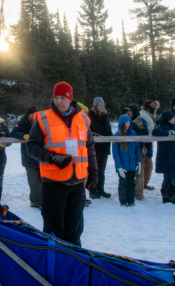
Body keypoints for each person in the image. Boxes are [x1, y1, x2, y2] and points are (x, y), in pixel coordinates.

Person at [26, 82, 98, 247]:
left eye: (62, 98)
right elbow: (31, 147)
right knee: (54, 234)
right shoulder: (43, 119)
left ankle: (73, 267)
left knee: (74, 232)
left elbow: (90, 146)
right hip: (54, 186)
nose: (58, 101)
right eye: (55, 97)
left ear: (70, 99)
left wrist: (93, 170)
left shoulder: (83, 119)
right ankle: (54, 269)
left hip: (78, 186)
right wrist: (54, 158)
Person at [11, 105, 42, 208]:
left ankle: (33, 200)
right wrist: (23, 136)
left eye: (36, 114)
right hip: (28, 156)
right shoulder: (22, 123)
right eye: (33, 114)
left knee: (39, 179)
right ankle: (40, 202)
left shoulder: (40, 123)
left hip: (38, 156)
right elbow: (13, 133)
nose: (35, 116)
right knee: (33, 181)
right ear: (28, 115)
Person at [152, 110, 175, 204]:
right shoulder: (162, 126)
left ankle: (167, 196)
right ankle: (169, 192)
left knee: (167, 177)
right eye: (173, 118)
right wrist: (169, 133)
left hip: (170, 155)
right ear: (169, 119)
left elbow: (174, 134)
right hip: (166, 156)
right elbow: (155, 132)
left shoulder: (172, 126)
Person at [112, 115, 141, 206]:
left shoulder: (133, 134)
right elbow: (115, 153)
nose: (128, 125)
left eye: (129, 123)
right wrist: (119, 167)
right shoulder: (116, 136)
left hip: (132, 165)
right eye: (126, 123)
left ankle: (131, 200)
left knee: (131, 183)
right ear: (122, 124)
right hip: (123, 166)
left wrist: (139, 161)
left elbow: (137, 148)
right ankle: (123, 201)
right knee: (123, 183)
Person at [88, 97, 113, 199]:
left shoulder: (105, 117)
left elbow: (108, 131)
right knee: (93, 170)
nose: (103, 107)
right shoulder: (90, 118)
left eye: (103, 105)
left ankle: (100, 189)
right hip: (94, 148)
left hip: (104, 147)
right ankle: (92, 190)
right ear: (96, 106)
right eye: (100, 105)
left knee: (101, 170)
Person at [125, 104, 149, 200]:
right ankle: (128, 190)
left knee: (139, 171)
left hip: (139, 149)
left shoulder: (141, 121)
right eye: (127, 111)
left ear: (134, 111)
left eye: (130, 111)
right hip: (127, 149)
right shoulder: (126, 120)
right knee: (128, 170)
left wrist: (141, 128)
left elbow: (146, 135)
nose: (128, 112)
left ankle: (139, 192)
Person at [140, 100, 160, 191]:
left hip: (144, 145)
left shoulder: (145, 115)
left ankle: (142, 184)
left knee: (145, 166)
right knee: (147, 166)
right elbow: (146, 133)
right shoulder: (145, 117)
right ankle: (142, 185)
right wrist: (149, 148)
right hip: (145, 146)